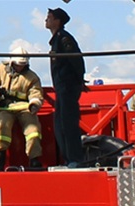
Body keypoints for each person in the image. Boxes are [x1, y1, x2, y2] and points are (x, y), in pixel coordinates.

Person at [0, 46, 44, 171]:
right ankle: (1, 159)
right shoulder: (0, 71)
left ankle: (34, 159)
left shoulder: (32, 77)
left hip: (24, 108)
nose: (20, 67)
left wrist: (34, 104)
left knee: (33, 130)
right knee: (2, 128)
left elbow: (36, 93)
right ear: (11, 62)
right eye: (18, 64)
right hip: (5, 107)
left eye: (22, 65)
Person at [46, 7, 86, 168]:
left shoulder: (64, 39)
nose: (46, 20)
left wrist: (79, 81)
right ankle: (68, 159)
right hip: (61, 88)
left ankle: (75, 159)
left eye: (49, 17)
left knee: (69, 124)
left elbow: (77, 60)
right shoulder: (56, 40)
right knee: (60, 124)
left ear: (57, 21)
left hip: (67, 87)